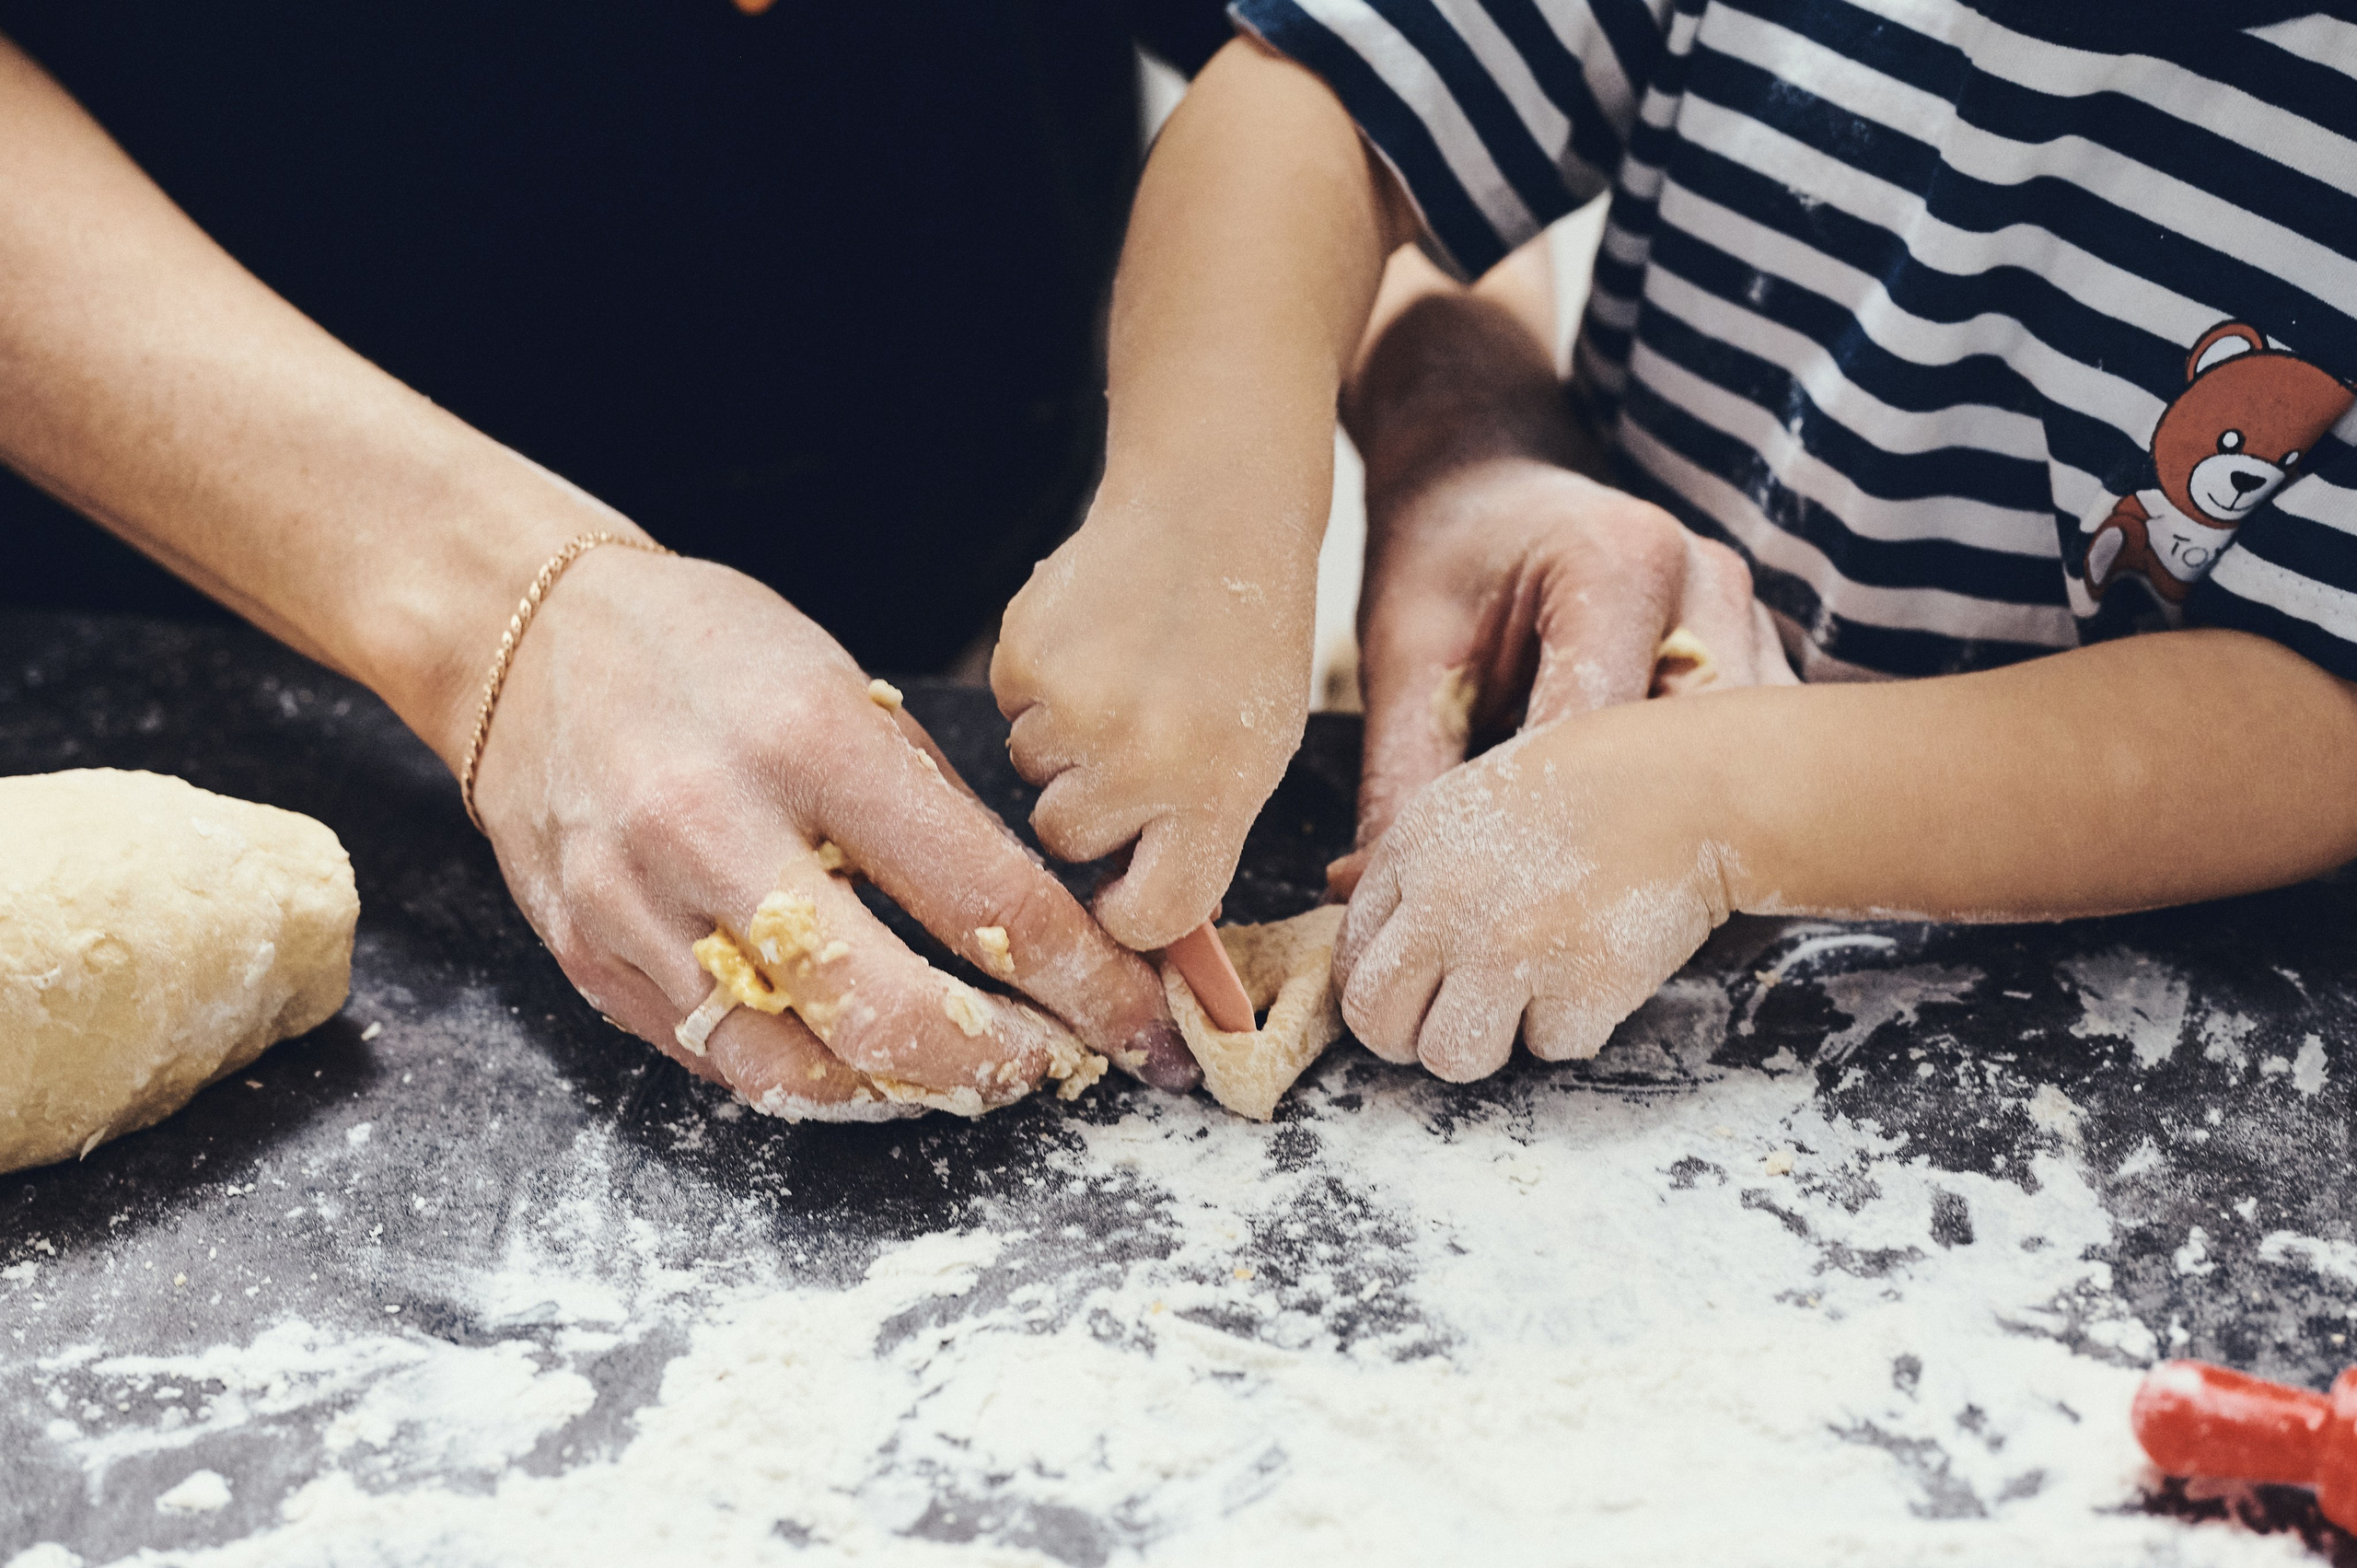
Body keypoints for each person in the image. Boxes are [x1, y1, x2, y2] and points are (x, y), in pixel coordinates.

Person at [991, 4, 2357, 1083]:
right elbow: (1320, 101)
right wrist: (1202, 504)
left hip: (2070, 1025)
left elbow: (2317, 709)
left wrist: (1728, 804)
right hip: (1556, 811)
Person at [0, 6, 1232, 1113]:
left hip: (967, 605)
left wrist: (1399, 301)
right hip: (186, 652)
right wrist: (501, 608)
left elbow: (1329, 47)